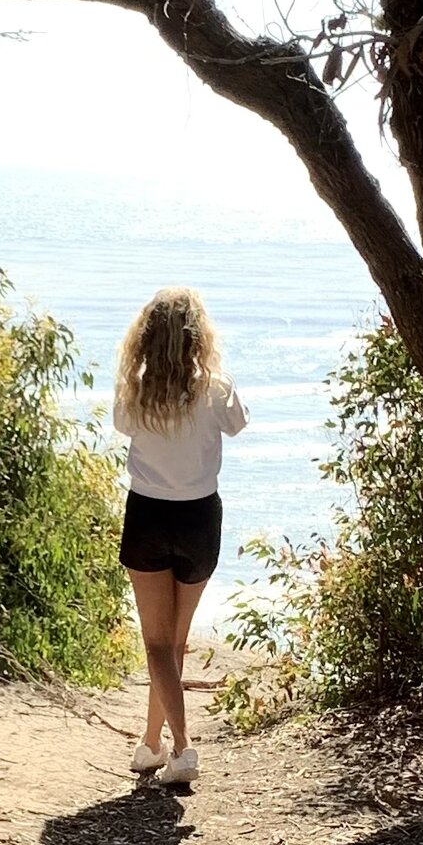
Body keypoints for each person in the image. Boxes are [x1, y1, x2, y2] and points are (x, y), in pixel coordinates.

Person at [112, 286, 246, 787]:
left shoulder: (137, 388)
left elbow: (123, 425)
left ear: (146, 337)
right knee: (174, 641)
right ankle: (151, 743)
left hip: (148, 515)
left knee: (156, 642)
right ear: (198, 337)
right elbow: (238, 424)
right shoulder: (216, 386)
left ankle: (183, 748)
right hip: (199, 519)